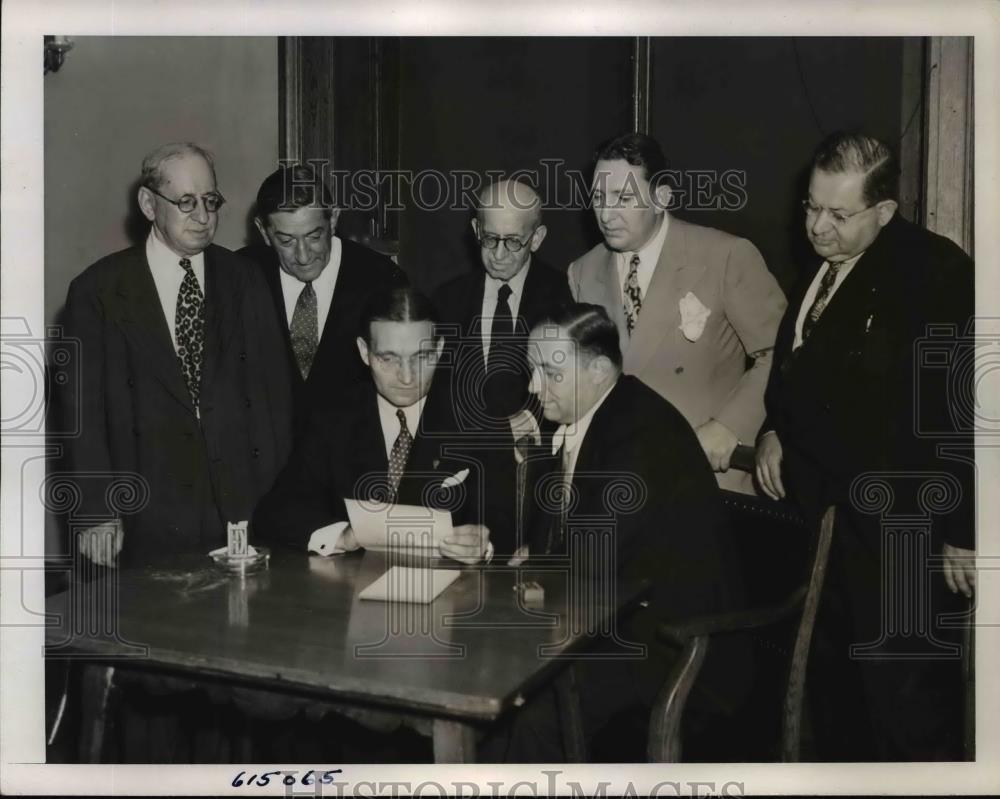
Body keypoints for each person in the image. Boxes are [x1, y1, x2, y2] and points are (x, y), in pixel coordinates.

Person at [755, 131, 975, 760]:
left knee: (906, 714)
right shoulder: (824, 267)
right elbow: (799, 375)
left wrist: (964, 528)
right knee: (837, 707)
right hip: (833, 530)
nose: (817, 227)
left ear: (884, 210)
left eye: (838, 214)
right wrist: (775, 429)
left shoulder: (937, 272)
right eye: (810, 207)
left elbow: (966, 411)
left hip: (907, 534)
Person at [482, 302, 742, 761]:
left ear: (599, 370)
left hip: (664, 642)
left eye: (550, 373)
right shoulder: (592, 415)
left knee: (528, 707)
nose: (534, 387)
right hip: (607, 614)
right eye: (532, 369)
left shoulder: (640, 434)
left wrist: (534, 564)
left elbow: (588, 559)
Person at [60, 142, 294, 567]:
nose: (204, 218)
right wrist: (96, 512)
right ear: (149, 204)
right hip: (145, 510)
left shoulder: (245, 279)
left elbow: (273, 397)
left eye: (211, 201)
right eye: (186, 202)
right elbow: (82, 416)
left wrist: (278, 499)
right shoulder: (98, 290)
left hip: (242, 509)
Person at [569, 133, 786, 492]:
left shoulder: (726, 256)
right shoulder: (582, 272)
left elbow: (781, 355)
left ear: (661, 197)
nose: (606, 215)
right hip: (623, 481)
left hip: (707, 478)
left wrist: (729, 426)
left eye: (623, 198)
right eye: (598, 198)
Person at [253, 286, 502, 563]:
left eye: (421, 357)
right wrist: (342, 536)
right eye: (388, 358)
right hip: (351, 595)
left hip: (448, 595)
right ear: (364, 352)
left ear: (440, 349)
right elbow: (276, 510)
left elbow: (512, 524)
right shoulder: (334, 418)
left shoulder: (476, 418)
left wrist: (485, 547)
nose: (407, 377)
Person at [239, 163, 406, 433]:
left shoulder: (383, 280)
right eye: (286, 241)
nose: (303, 256)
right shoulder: (241, 276)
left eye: (314, 236)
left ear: (334, 219)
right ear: (263, 230)